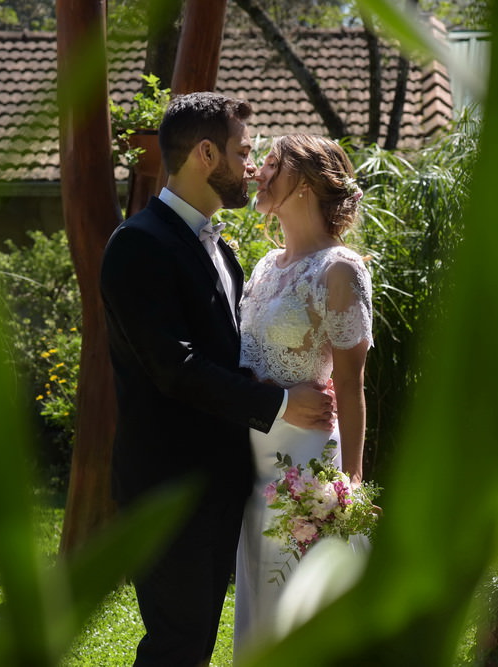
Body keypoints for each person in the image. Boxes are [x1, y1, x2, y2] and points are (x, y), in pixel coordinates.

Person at [99, 94, 335, 667]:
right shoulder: (139, 244)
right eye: (242, 151)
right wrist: (280, 403)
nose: (253, 166)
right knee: (176, 647)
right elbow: (174, 368)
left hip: (222, 484)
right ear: (206, 154)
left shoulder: (221, 250)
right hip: (168, 488)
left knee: (195, 643)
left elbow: (228, 358)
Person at [233, 134, 373, 654]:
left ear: (307, 184)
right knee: (261, 601)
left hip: (305, 465)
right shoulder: (267, 265)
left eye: (272, 164)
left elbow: (352, 386)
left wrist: (351, 483)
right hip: (253, 463)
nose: (257, 173)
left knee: (300, 602)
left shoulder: (340, 270)